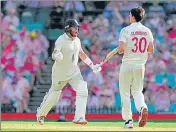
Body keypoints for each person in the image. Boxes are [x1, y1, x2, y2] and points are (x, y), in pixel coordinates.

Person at [97, 7, 154, 128]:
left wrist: (118, 50)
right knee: (137, 91)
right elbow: (151, 50)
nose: (129, 17)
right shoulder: (147, 31)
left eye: (129, 15)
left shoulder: (126, 30)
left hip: (128, 64)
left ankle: (128, 121)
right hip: (140, 65)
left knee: (124, 93)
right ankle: (142, 107)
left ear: (133, 16)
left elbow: (121, 48)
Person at [36, 19, 101, 125]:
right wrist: (57, 56)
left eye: (77, 27)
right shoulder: (60, 40)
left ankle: (79, 117)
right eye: (75, 27)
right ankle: (41, 114)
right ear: (67, 28)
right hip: (60, 73)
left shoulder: (77, 40)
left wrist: (92, 65)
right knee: (54, 96)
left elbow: (81, 54)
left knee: (83, 89)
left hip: (74, 71)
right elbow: (54, 53)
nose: (77, 29)